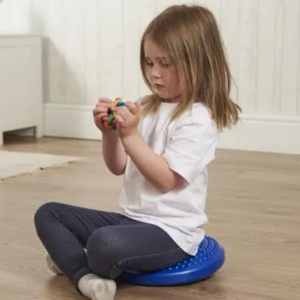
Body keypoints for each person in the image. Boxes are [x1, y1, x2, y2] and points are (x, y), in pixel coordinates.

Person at [34, 4, 241, 300]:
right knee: (49, 214)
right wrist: (110, 134)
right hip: (130, 220)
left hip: (171, 233)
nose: (154, 74)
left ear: (197, 63)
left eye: (165, 64)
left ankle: (73, 262)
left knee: (104, 244)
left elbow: (166, 180)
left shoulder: (198, 119)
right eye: (148, 62)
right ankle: (85, 276)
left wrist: (129, 135)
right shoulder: (147, 104)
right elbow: (118, 167)